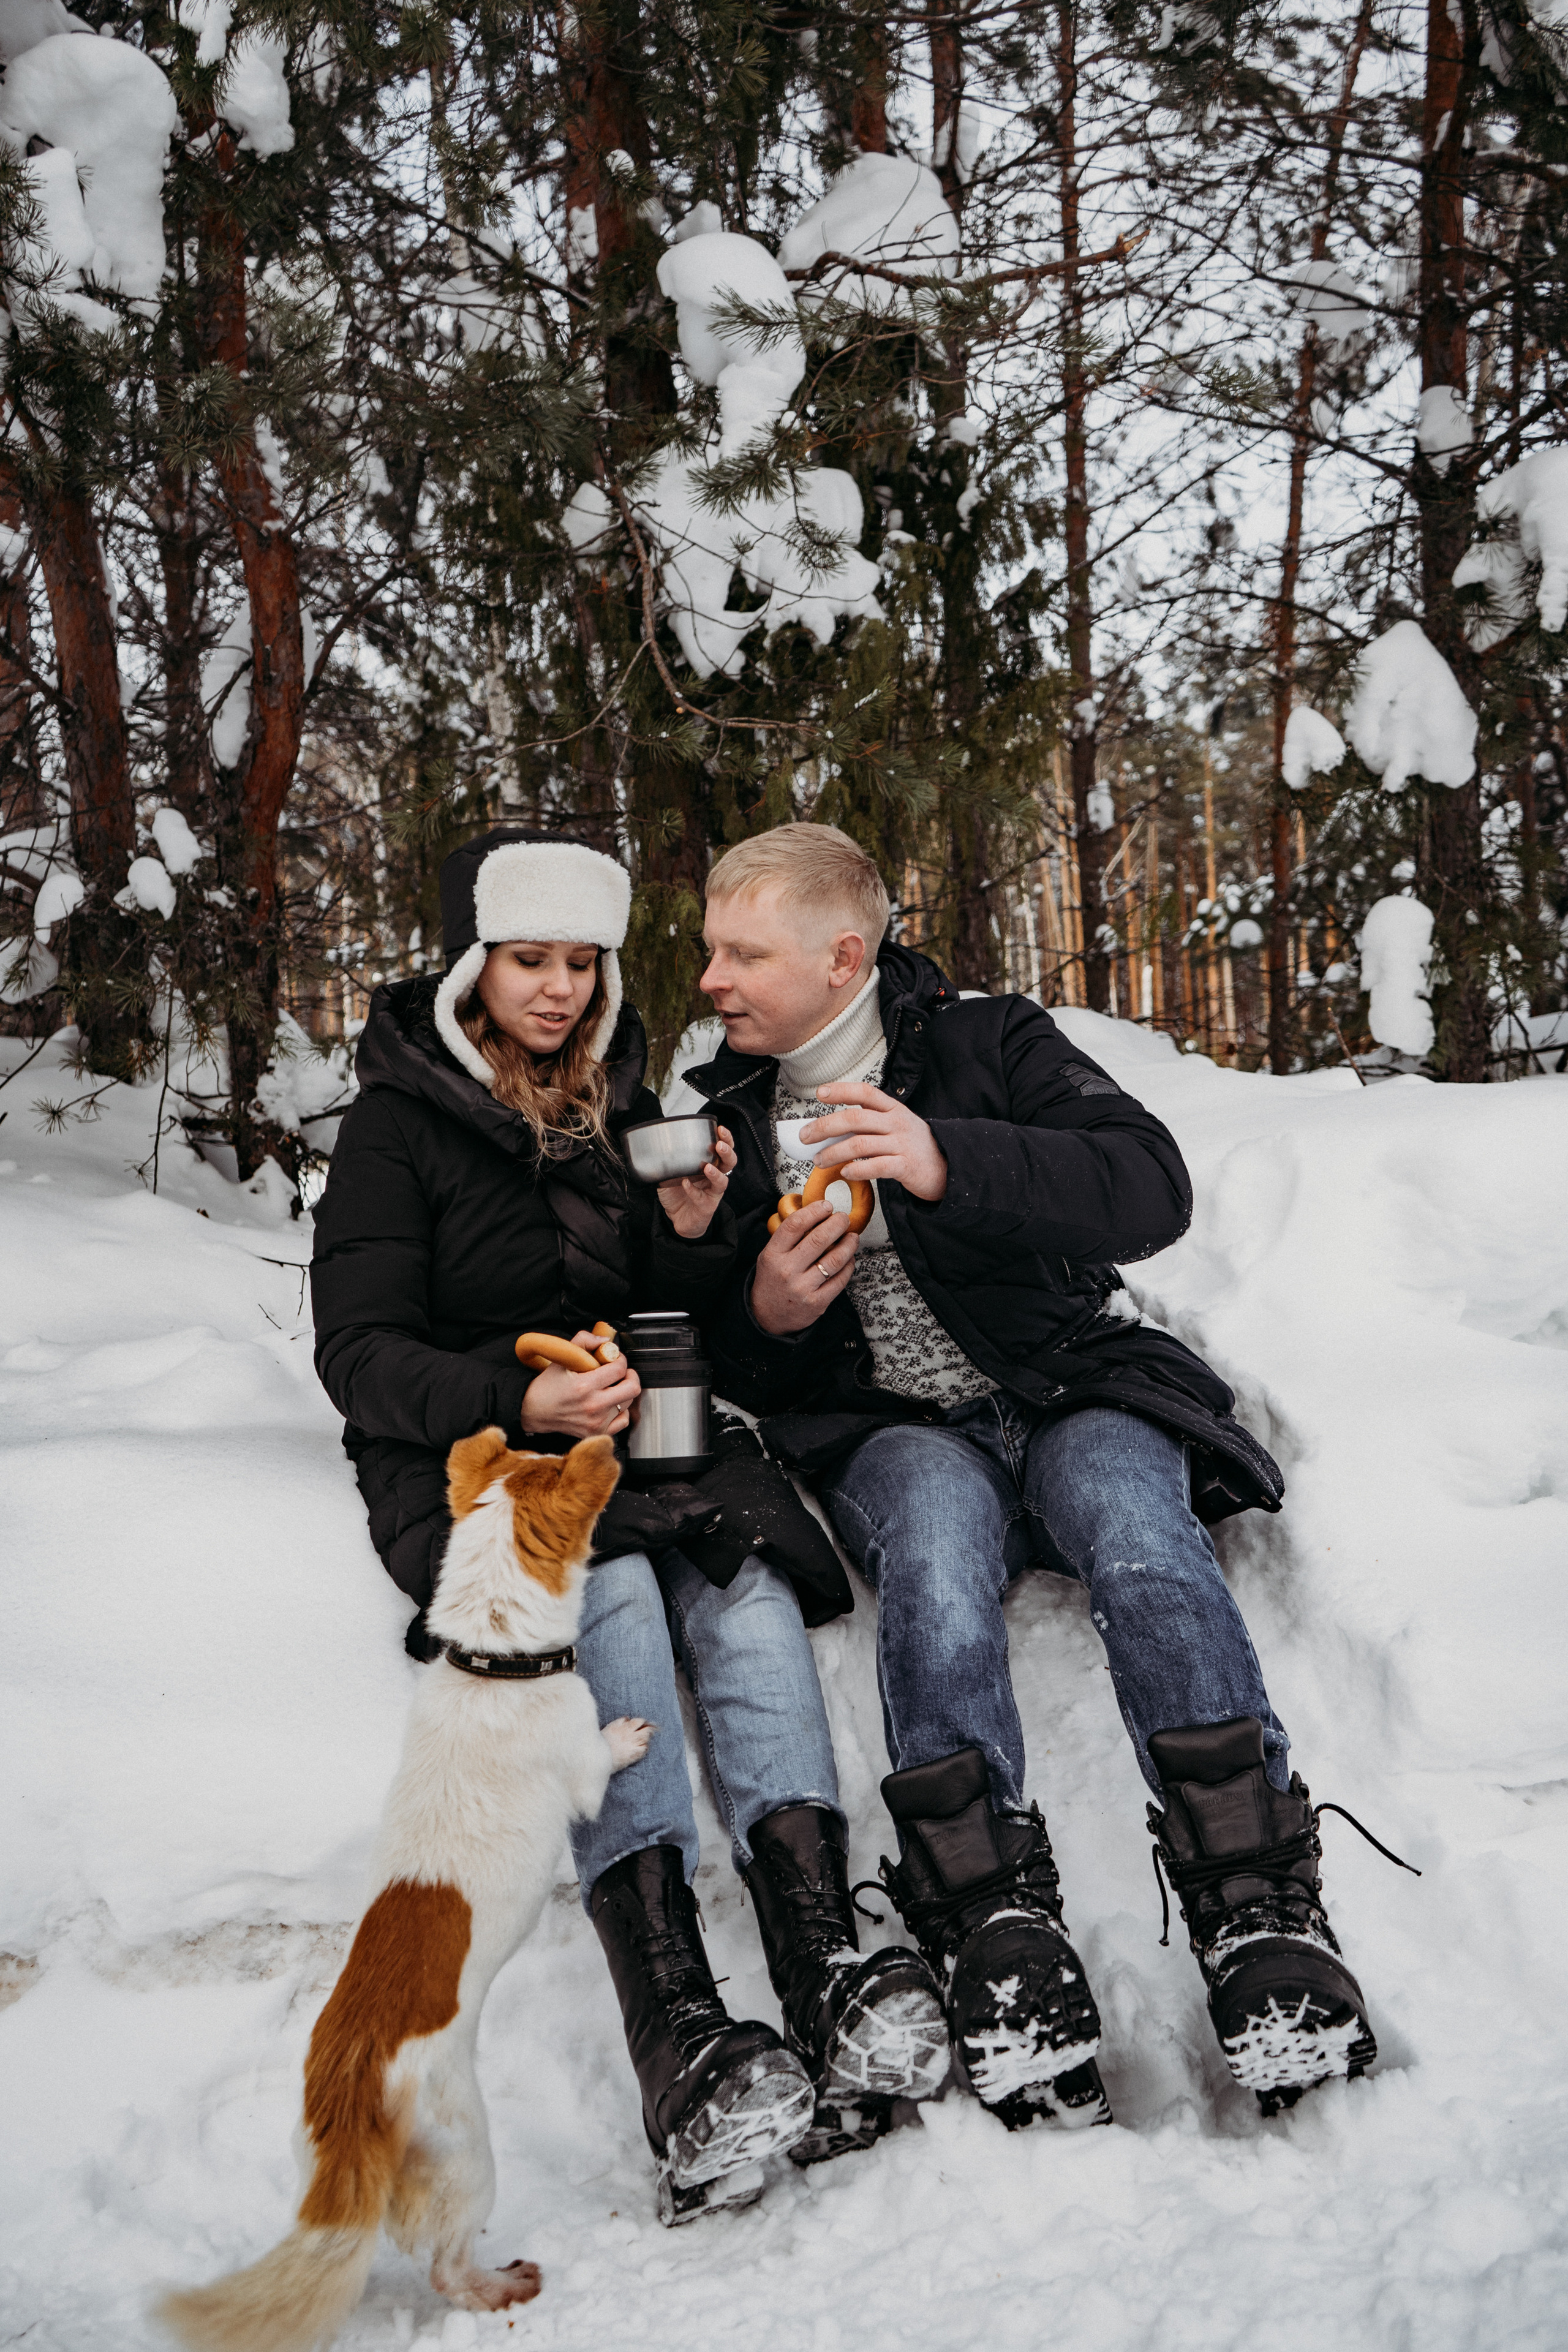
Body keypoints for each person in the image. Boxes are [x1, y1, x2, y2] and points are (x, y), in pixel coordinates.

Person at [680, 820, 1382, 2127]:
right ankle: (991, 1932)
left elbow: (1143, 1186)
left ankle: (1258, 1915)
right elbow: (735, 1362)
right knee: (934, 1563)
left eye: (741, 952)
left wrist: (948, 1161)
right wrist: (766, 1315)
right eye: (709, 949)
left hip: (1069, 1386)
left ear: (842, 954)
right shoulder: (722, 1119)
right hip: (894, 1431)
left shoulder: (982, 1041)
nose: (711, 979)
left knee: (1136, 1532)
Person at [310, 826, 946, 2229]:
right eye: (528, 960)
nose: (555, 989)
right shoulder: (397, 1121)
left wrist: (696, 1229)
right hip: (477, 1456)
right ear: (473, 966)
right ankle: (680, 2035)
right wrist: (520, 1392)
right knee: (609, 1602)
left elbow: (682, 1310)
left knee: (747, 1587)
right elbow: (358, 1356)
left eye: (579, 962)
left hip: (641, 1429)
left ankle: (826, 1962)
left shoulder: (618, 1099)